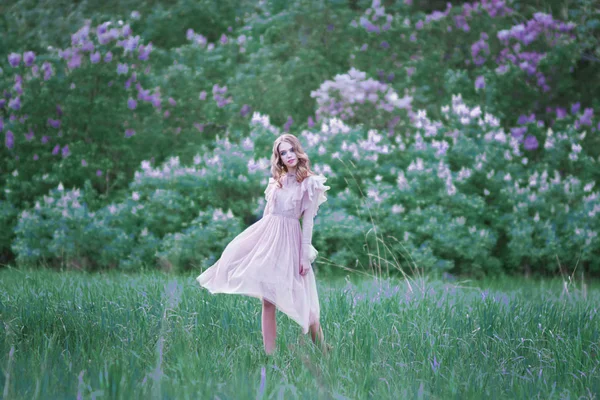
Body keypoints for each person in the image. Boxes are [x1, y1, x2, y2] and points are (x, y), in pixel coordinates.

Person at [196, 133, 332, 355]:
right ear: (278, 157)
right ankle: (270, 356)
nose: (288, 156)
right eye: (282, 152)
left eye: (291, 150)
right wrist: (254, 245)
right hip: (270, 241)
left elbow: (307, 223)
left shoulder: (309, 184)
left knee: (306, 305)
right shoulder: (276, 183)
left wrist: (304, 256)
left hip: (292, 244)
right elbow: (266, 216)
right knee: (268, 301)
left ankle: (324, 351)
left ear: (298, 151)